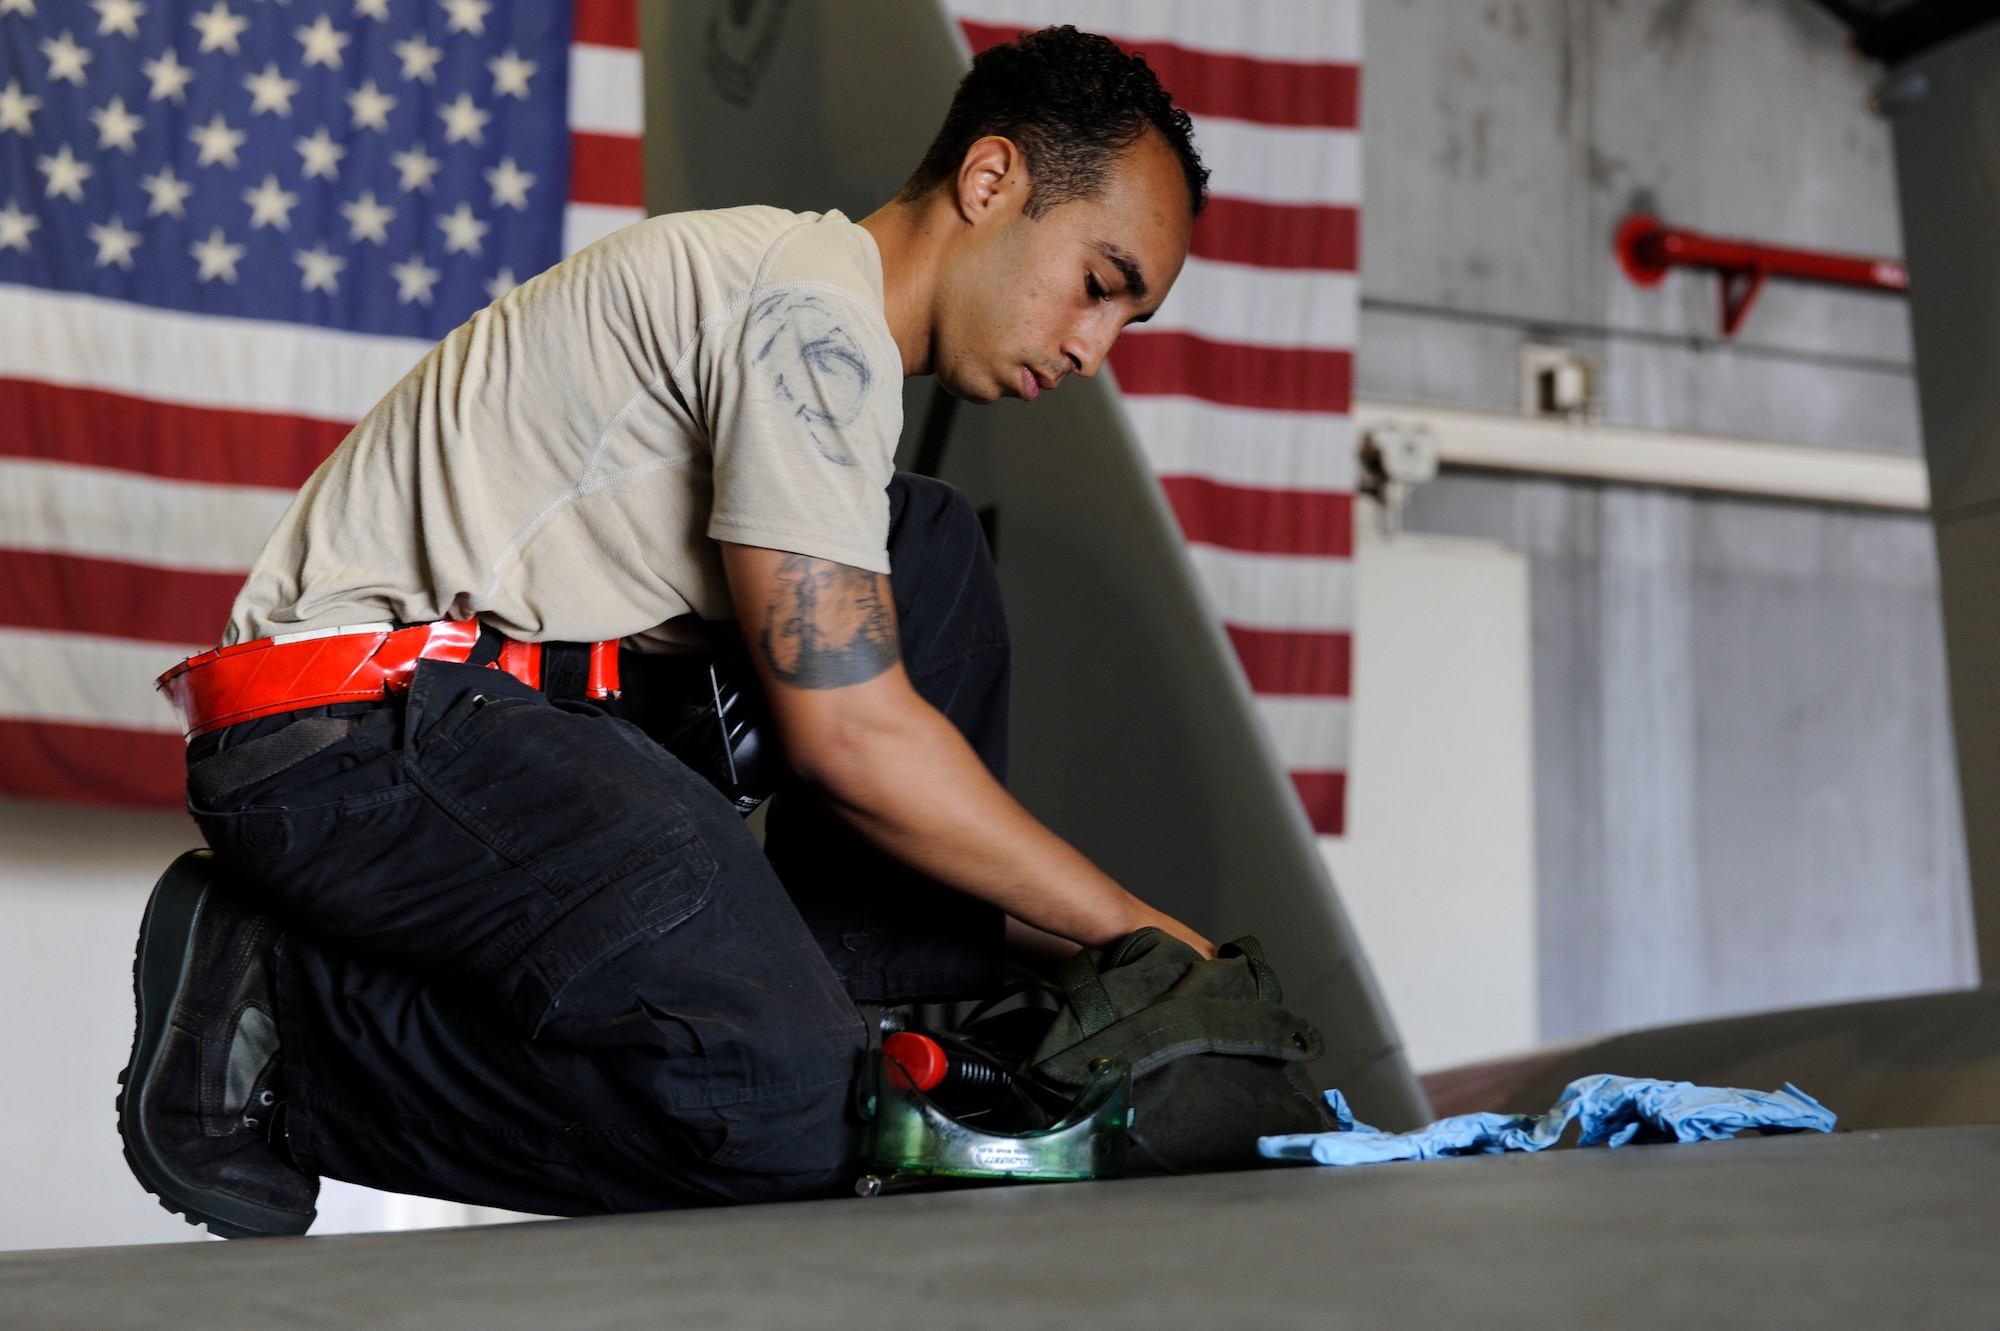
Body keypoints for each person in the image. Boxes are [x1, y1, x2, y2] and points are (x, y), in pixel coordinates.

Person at [118, 26, 1213, 1237]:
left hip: (499, 711)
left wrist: (1093, 964)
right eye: (1098, 282)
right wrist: (1152, 940)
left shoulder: (809, 328)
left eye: (1128, 317)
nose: (1091, 346)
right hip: (345, 732)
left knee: (927, 544)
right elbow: (851, 733)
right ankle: (284, 1012)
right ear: (990, 180)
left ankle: (842, 1033)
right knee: (780, 1113)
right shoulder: (807, 317)